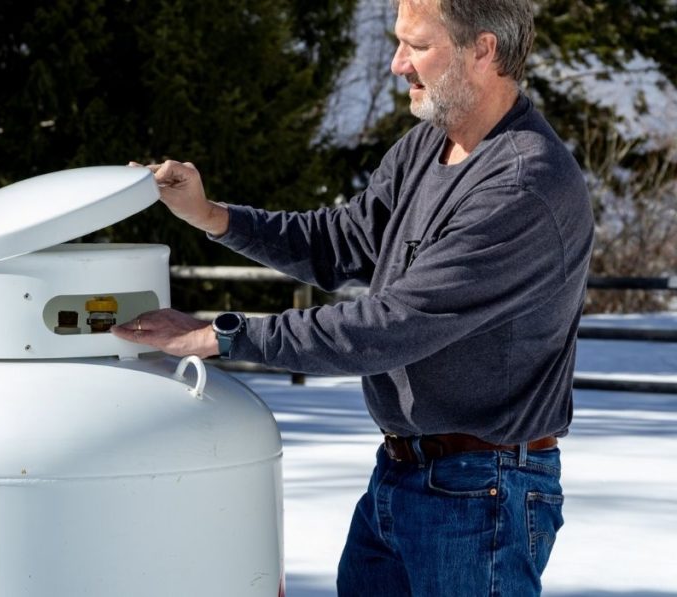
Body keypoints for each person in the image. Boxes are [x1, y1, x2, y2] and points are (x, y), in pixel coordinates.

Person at [110, 0, 594, 594]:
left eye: (417, 46)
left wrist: (220, 334)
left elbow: (390, 326)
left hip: (480, 493)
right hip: (402, 474)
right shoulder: (427, 147)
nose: (397, 65)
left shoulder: (523, 184)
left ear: (483, 50)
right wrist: (213, 216)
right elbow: (338, 244)